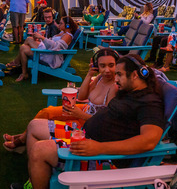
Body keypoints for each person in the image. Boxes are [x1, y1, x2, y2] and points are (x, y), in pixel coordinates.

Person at [13, 55, 165, 189]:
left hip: (104, 158)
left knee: (39, 150)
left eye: (119, 74)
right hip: (86, 136)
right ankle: (36, 179)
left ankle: (40, 174)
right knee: (34, 126)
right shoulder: (129, 92)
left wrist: (99, 148)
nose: (115, 78)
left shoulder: (149, 103)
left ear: (135, 75)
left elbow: (148, 141)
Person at [3, 48, 119, 152]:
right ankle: (23, 137)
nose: (107, 70)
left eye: (111, 65)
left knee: (51, 120)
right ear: (96, 66)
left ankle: (21, 139)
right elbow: (82, 97)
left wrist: (81, 115)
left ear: (117, 65)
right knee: (47, 112)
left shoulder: (114, 87)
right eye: (102, 66)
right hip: (84, 110)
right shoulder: (100, 78)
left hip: (88, 123)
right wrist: (89, 74)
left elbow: (104, 121)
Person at [9, 16, 77, 82]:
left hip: (51, 56)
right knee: (23, 47)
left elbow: (56, 46)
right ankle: (24, 72)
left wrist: (42, 38)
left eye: (61, 23)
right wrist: (41, 39)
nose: (59, 24)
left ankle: (18, 64)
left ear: (67, 25)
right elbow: (52, 41)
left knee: (27, 41)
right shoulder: (62, 33)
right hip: (48, 51)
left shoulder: (67, 36)